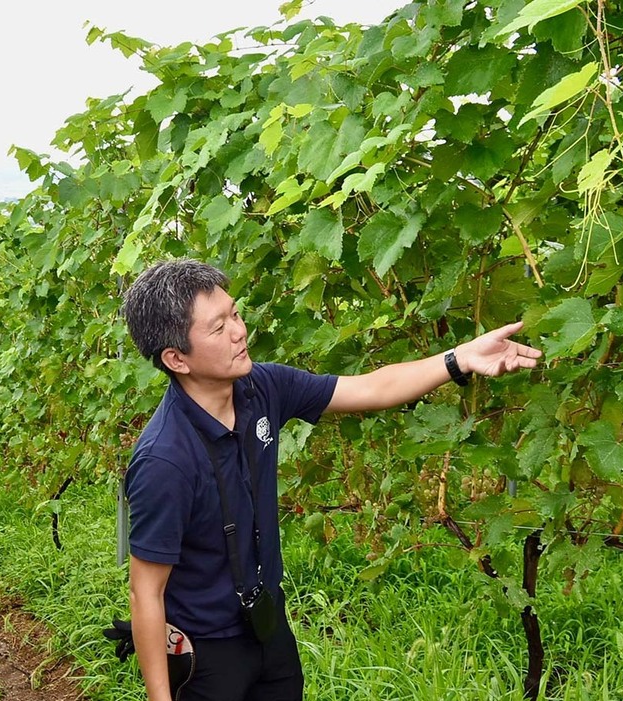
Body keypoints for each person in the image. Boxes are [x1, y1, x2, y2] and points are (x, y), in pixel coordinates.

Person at [120, 258, 542, 701]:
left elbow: (371, 388)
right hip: (205, 654)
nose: (239, 332)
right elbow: (145, 593)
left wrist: (461, 358)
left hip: (269, 629)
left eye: (236, 314)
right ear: (176, 358)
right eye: (217, 327)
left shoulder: (262, 388)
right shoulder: (164, 460)